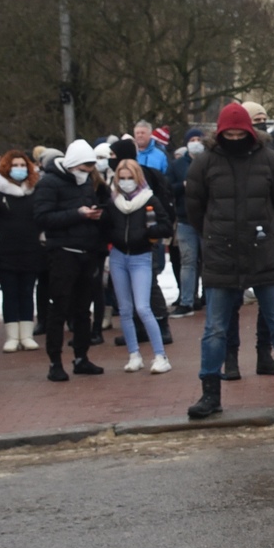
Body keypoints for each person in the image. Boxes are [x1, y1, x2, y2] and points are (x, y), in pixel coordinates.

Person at [184, 101, 274, 418]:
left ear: (251, 132)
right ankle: (210, 394)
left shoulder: (271, 160)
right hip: (220, 255)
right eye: (232, 133)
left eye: (242, 133)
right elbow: (194, 207)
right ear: (221, 132)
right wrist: (213, 235)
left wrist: (269, 234)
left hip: (262, 253)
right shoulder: (204, 163)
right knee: (214, 329)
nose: (237, 138)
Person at [33, 141, 110, 382]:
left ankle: (81, 357)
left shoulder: (86, 182)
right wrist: (77, 214)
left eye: (90, 169)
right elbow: (43, 217)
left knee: (82, 308)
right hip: (62, 253)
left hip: (86, 252)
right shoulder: (48, 183)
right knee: (59, 307)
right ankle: (55, 361)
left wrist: (96, 216)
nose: (86, 173)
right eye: (84, 168)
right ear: (73, 164)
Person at [102, 141, 174, 375]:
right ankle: (134, 354)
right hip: (118, 257)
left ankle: (160, 355)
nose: (125, 181)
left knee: (143, 307)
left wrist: (148, 233)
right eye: (121, 177)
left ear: (137, 176)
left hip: (141, 256)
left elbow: (165, 226)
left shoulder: (149, 200)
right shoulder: (113, 203)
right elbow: (105, 227)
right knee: (124, 309)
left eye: (129, 176)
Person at [0, 148, 43, 354]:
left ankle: (26, 334)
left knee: (27, 292)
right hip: (5, 249)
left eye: (22, 165)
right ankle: (12, 336)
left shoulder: (34, 190)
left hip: (30, 248)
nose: (19, 169)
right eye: (15, 165)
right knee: (9, 293)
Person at [169, 126, 209, 314]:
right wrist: (182, 186)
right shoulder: (177, 165)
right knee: (188, 261)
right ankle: (186, 300)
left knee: (209, 260)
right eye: (192, 140)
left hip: (207, 219)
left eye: (198, 140)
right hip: (185, 219)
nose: (195, 144)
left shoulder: (210, 162)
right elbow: (168, 187)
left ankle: (209, 297)